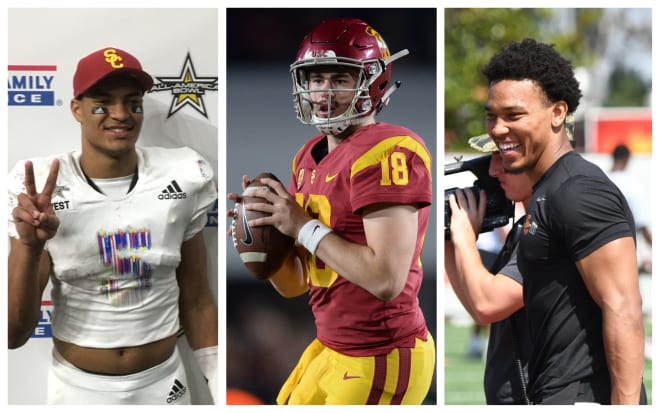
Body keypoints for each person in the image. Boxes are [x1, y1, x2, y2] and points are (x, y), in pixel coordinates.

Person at [227, 18, 435, 405]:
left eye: (339, 79)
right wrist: (262, 239)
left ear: (372, 81)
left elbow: (386, 280)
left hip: (381, 352)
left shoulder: (391, 151)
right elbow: (295, 285)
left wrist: (302, 227)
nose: (323, 91)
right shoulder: (307, 156)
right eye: (315, 78)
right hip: (330, 346)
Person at [7, 47, 218, 405]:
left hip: (164, 383)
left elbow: (196, 299)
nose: (121, 115)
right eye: (103, 105)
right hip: (78, 388)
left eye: (132, 103)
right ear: (77, 109)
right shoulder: (42, 186)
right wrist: (30, 248)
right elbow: (14, 334)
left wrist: (217, 383)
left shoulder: (182, 174)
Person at [481, 38, 646, 404]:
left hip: (584, 397)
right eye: (491, 116)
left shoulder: (577, 190)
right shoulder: (546, 191)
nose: (497, 129)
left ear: (558, 113)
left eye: (513, 115)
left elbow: (623, 307)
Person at [445, 135, 533, 404]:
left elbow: (486, 306)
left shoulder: (543, 228)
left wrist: (464, 238)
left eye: (502, 158)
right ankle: (474, 346)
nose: (493, 171)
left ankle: (473, 346)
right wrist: (449, 237)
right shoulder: (524, 227)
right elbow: (477, 309)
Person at [607, 144, 652, 272]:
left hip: (602, 255)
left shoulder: (601, 180)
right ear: (627, 159)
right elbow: (642, 226)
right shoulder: (633, 185)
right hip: (627, 260)